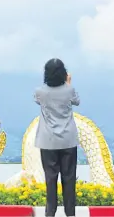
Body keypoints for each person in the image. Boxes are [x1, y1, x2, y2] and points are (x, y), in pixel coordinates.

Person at [34, 58, 80, 217]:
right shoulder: (69, 89)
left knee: (50, 179)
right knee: (69, 179)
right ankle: (70, 213)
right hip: (68, 139)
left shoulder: (40, 91)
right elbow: (77, 101)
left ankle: (50, 213)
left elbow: (37, 101)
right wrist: (68, 83)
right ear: (63, 72)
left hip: (48, 141)